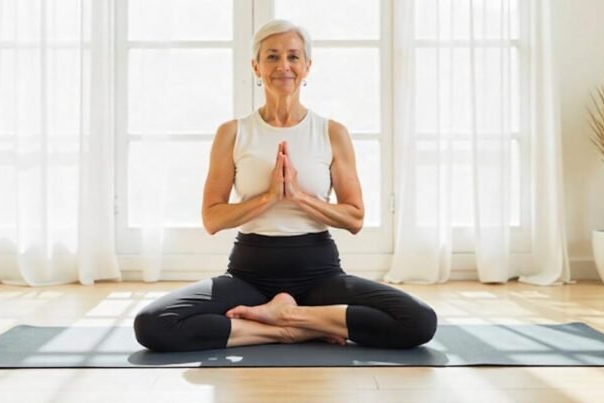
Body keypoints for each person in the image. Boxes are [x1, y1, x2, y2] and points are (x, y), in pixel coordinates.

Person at [133, 19, 437, 352]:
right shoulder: (233, 133)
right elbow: (213, 218)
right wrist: (268, 197)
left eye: (293, 57)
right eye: (272, 57)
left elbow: (354, 218)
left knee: (419, 321)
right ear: (256, 66)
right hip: (248, 276)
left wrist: (299, 197)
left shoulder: (331, 132)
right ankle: (289, 328)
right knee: (153, 324)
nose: (283, 66)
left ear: (307, 66)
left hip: (319, 275)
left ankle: (285, 317)